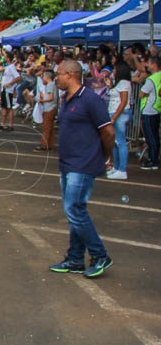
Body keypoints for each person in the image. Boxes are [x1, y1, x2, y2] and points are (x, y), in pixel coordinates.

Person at [49, 60, 115, 278]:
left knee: (75, 209)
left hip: (83, 164)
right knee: (73, 211)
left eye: (58, 74)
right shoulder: (67, 99)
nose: (55, 77)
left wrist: (104, 156)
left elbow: (108, 132)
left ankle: (100, 254)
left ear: (70, 74)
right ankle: (75, 258)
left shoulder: (89, 99)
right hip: (68, 163)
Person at [106, 62, 132, 180]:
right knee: (116, 142)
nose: (113, 72)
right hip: (116, 113)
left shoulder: (124, 83)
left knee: (120, 142)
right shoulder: (119, 83)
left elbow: (123, 102)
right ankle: (117, 167)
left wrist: (114, 117)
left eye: (115, 69)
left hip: (120, 114)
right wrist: (110, 86)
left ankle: (122, 169)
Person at [133, 54, 160, 170]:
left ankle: (153, 161)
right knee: (154, 136)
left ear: (154, 64)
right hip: (157, 108)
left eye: (148, 63)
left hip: (149, 110)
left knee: (150, 137)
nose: (147, 65)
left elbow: (141, 94)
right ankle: (154, 159)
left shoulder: (151, 79)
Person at [34, 69, 59, 152]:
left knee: (46, 128)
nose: (42, 79)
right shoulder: (52, 85)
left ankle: (44, 145)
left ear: (47, 77)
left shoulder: (50, 85)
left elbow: (51, 97)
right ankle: (50, 145)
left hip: (49, 108)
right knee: (50, 128)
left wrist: (41, 101)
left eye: (43, 76)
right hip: (52, 108)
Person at [0, 52, 21, 131]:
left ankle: (11, 124)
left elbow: (18, 77)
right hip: (4, 90)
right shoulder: (8, 67)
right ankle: (3, 123)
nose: (4, 58)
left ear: (8, 58)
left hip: (8, 90)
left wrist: (8, 84)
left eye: (5, 57)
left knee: (9, 107)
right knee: (4, 107)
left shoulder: (11, 67)